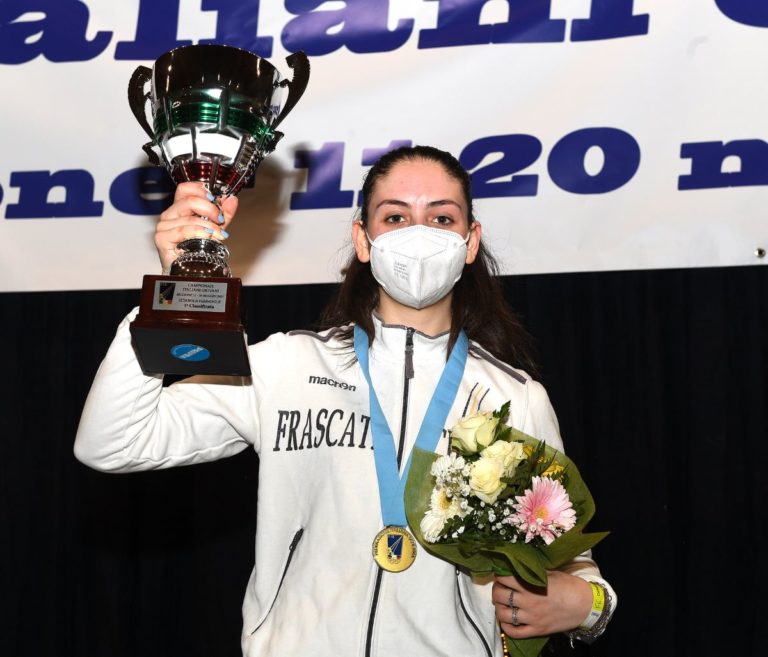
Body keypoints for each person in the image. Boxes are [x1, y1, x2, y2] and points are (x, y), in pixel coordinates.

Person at [75, 145, 616, 656]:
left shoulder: (515, 397)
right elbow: (113, 441)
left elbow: (574, 566)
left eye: (443, 218)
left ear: (471, 242)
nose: (420, 234)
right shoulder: (287, 364)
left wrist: (590, 605)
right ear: (363, 239)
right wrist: (170, 289)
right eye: (396, 217)